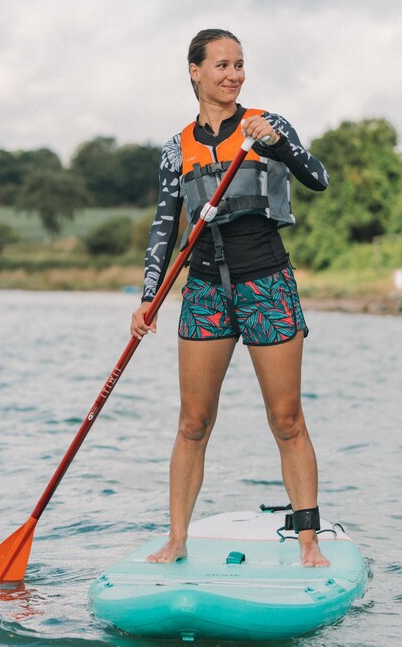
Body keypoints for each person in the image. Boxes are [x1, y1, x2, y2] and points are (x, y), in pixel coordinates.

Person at [130, 28, 331, 567]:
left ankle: (308, 540)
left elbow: (318, 178)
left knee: (286, 419)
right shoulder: (176, 148)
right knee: (193, 422)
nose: (233, 74)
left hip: (266, 280)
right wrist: (150, 297)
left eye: (239, 64)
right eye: (221, 65)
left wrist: (278, 144)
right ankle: (176, 539)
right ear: (195, 71)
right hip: (203, 289)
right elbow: (164, 227)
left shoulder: (267, 124)